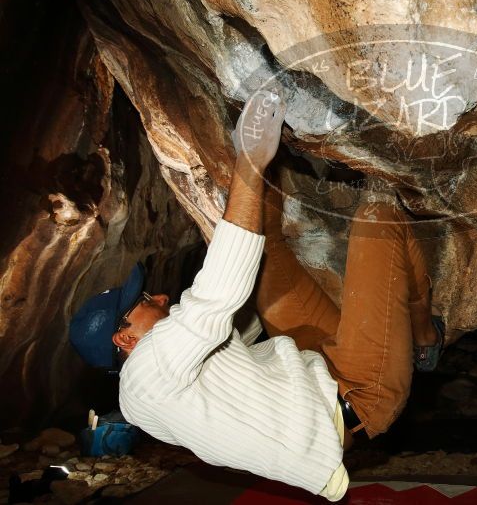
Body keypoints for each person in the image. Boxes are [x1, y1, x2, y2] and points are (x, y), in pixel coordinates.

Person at [68, 89, 445, 501]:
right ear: (123, 339)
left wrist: (250, 166)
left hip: (312, 368)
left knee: (267, 255)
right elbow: (217, 295)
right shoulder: (146, 376)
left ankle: (277, 129)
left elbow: (233, 315)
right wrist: (248, 164)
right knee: (377, 220)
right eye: (142, 303)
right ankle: (424, 335)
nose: (158, 297)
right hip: (358, 394)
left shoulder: (162, 374)